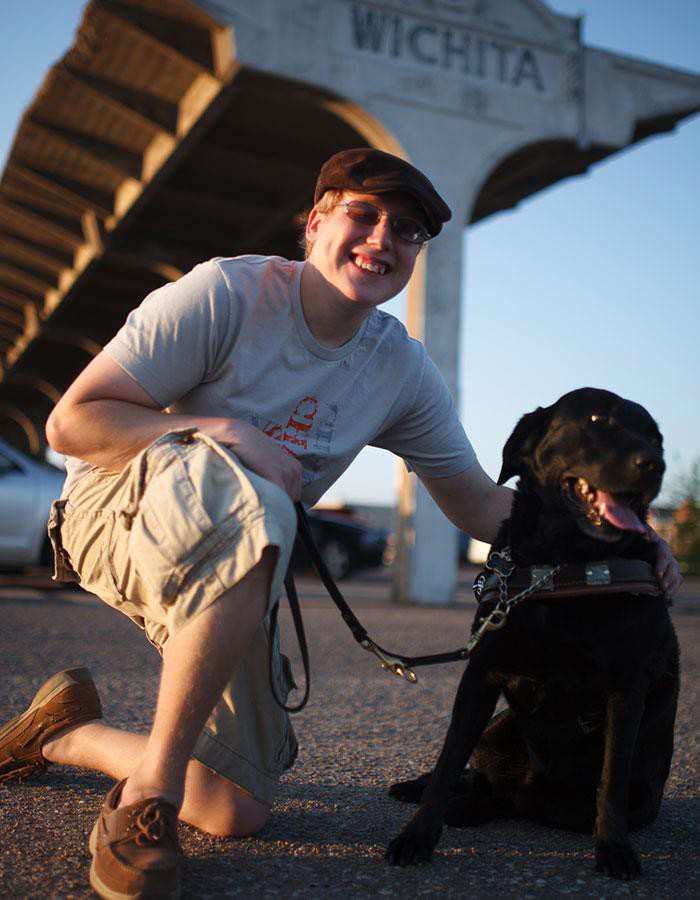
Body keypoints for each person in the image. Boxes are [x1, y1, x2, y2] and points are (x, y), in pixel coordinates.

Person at [0, 149, 681, 899]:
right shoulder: (224, 293)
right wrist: (225, 428)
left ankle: (62, 732)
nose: (384, 239)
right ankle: (144, 804)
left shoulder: (399, 370)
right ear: (317, 221)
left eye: (410, 231)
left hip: (233, 560)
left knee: (235, 807)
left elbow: (486, 507)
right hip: (110, 509)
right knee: (251, 494)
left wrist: (623, 535)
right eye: (365, 214)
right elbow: (72, 423)